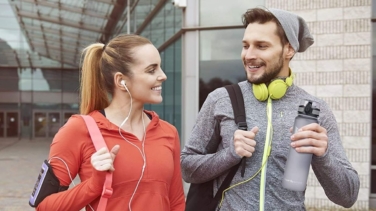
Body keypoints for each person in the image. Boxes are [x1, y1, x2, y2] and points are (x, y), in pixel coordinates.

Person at [180, 7, 360, 210]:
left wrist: (323, 155)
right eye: (245, 46)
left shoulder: (314, 110)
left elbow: (348, 196)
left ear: (289, 49)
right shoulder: (221, 99)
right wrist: (229, 154)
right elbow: (188, 169)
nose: (249, 55)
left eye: (261, 46)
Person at [36, 34, 185, 211]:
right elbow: (44, 206)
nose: (163, 76)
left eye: (160, 68)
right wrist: (94, 185)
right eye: (151, 70)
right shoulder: (80, 129)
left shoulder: (168, 132)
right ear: (121, 81)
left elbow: (176, 202)